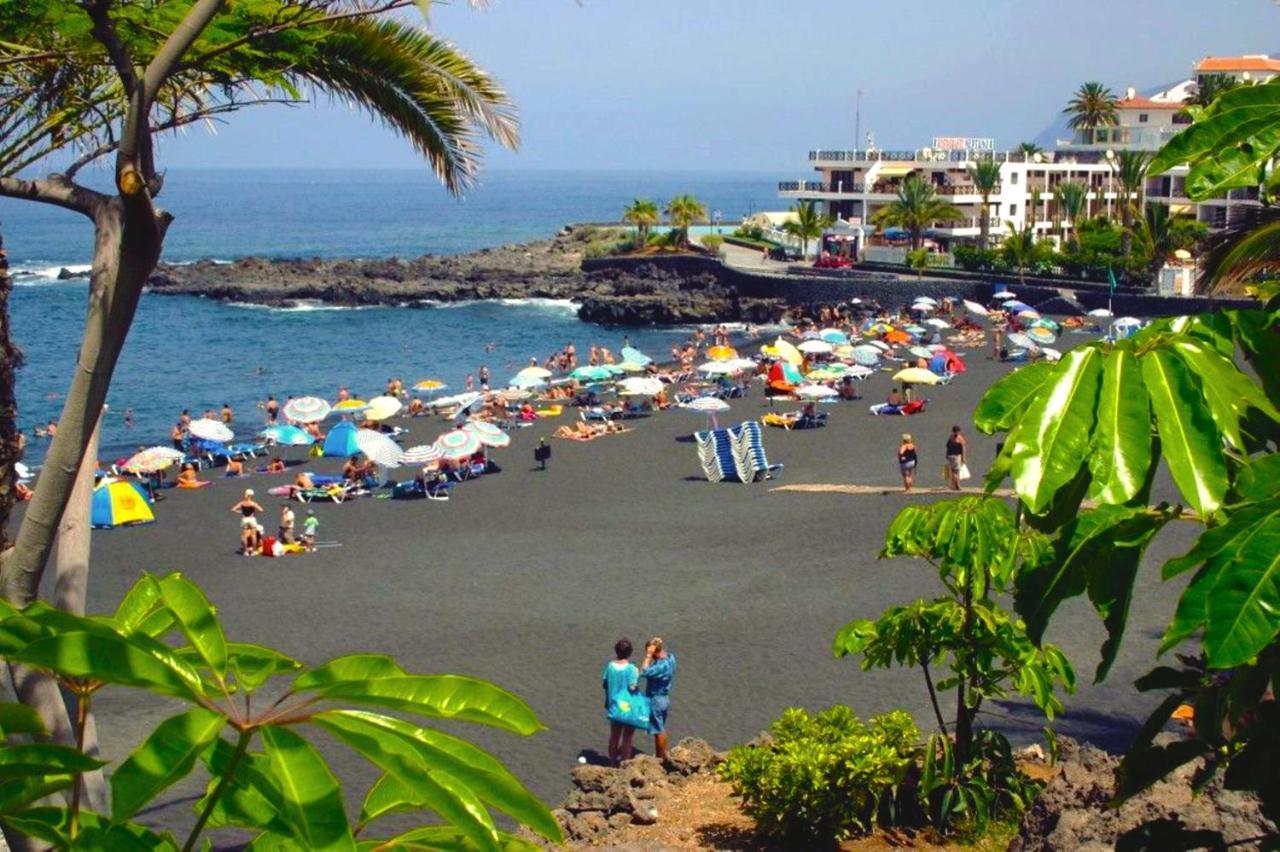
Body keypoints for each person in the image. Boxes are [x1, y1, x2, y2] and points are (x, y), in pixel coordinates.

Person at [603, 638, 640, 767]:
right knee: (627, 737)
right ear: (630, 653)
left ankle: (612, 763)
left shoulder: (610, 666)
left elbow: (605, 684)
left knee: (614, 735)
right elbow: (632, 687)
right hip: (627, 707)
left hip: (613, 705)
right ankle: (624, 763)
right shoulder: (632, 669)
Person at [642, 637, 677, 761]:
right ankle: (660, 755)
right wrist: (657, 644)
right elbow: (665, 653)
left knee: (659, 730)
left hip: (656, 700)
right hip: (665, 699)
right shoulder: (671, 659)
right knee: (660, 728)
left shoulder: (660, 667)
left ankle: (660, 757)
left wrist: (648, 656)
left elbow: (644, 672)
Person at [230, 489, 264, 555]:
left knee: (244, 536)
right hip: (252, 519)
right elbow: (261, 510)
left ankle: (245, 551)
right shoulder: (253, 503)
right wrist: (254, 512)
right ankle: (254, 551)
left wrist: (240, 512)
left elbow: (233, 509)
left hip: (244, 519)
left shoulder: (242, 503)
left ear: (247, 495)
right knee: (253, 535)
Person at [945, 424, 968, 491]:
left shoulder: (950, 437)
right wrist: (964, 457)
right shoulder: (959, 438)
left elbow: (948, 446)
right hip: (956, 456)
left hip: (950, 455)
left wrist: (946, 455)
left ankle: (953, 485)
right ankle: (957, 485)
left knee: (953, 471)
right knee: (956, 472)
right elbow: (963, 448)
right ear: (958, 431)